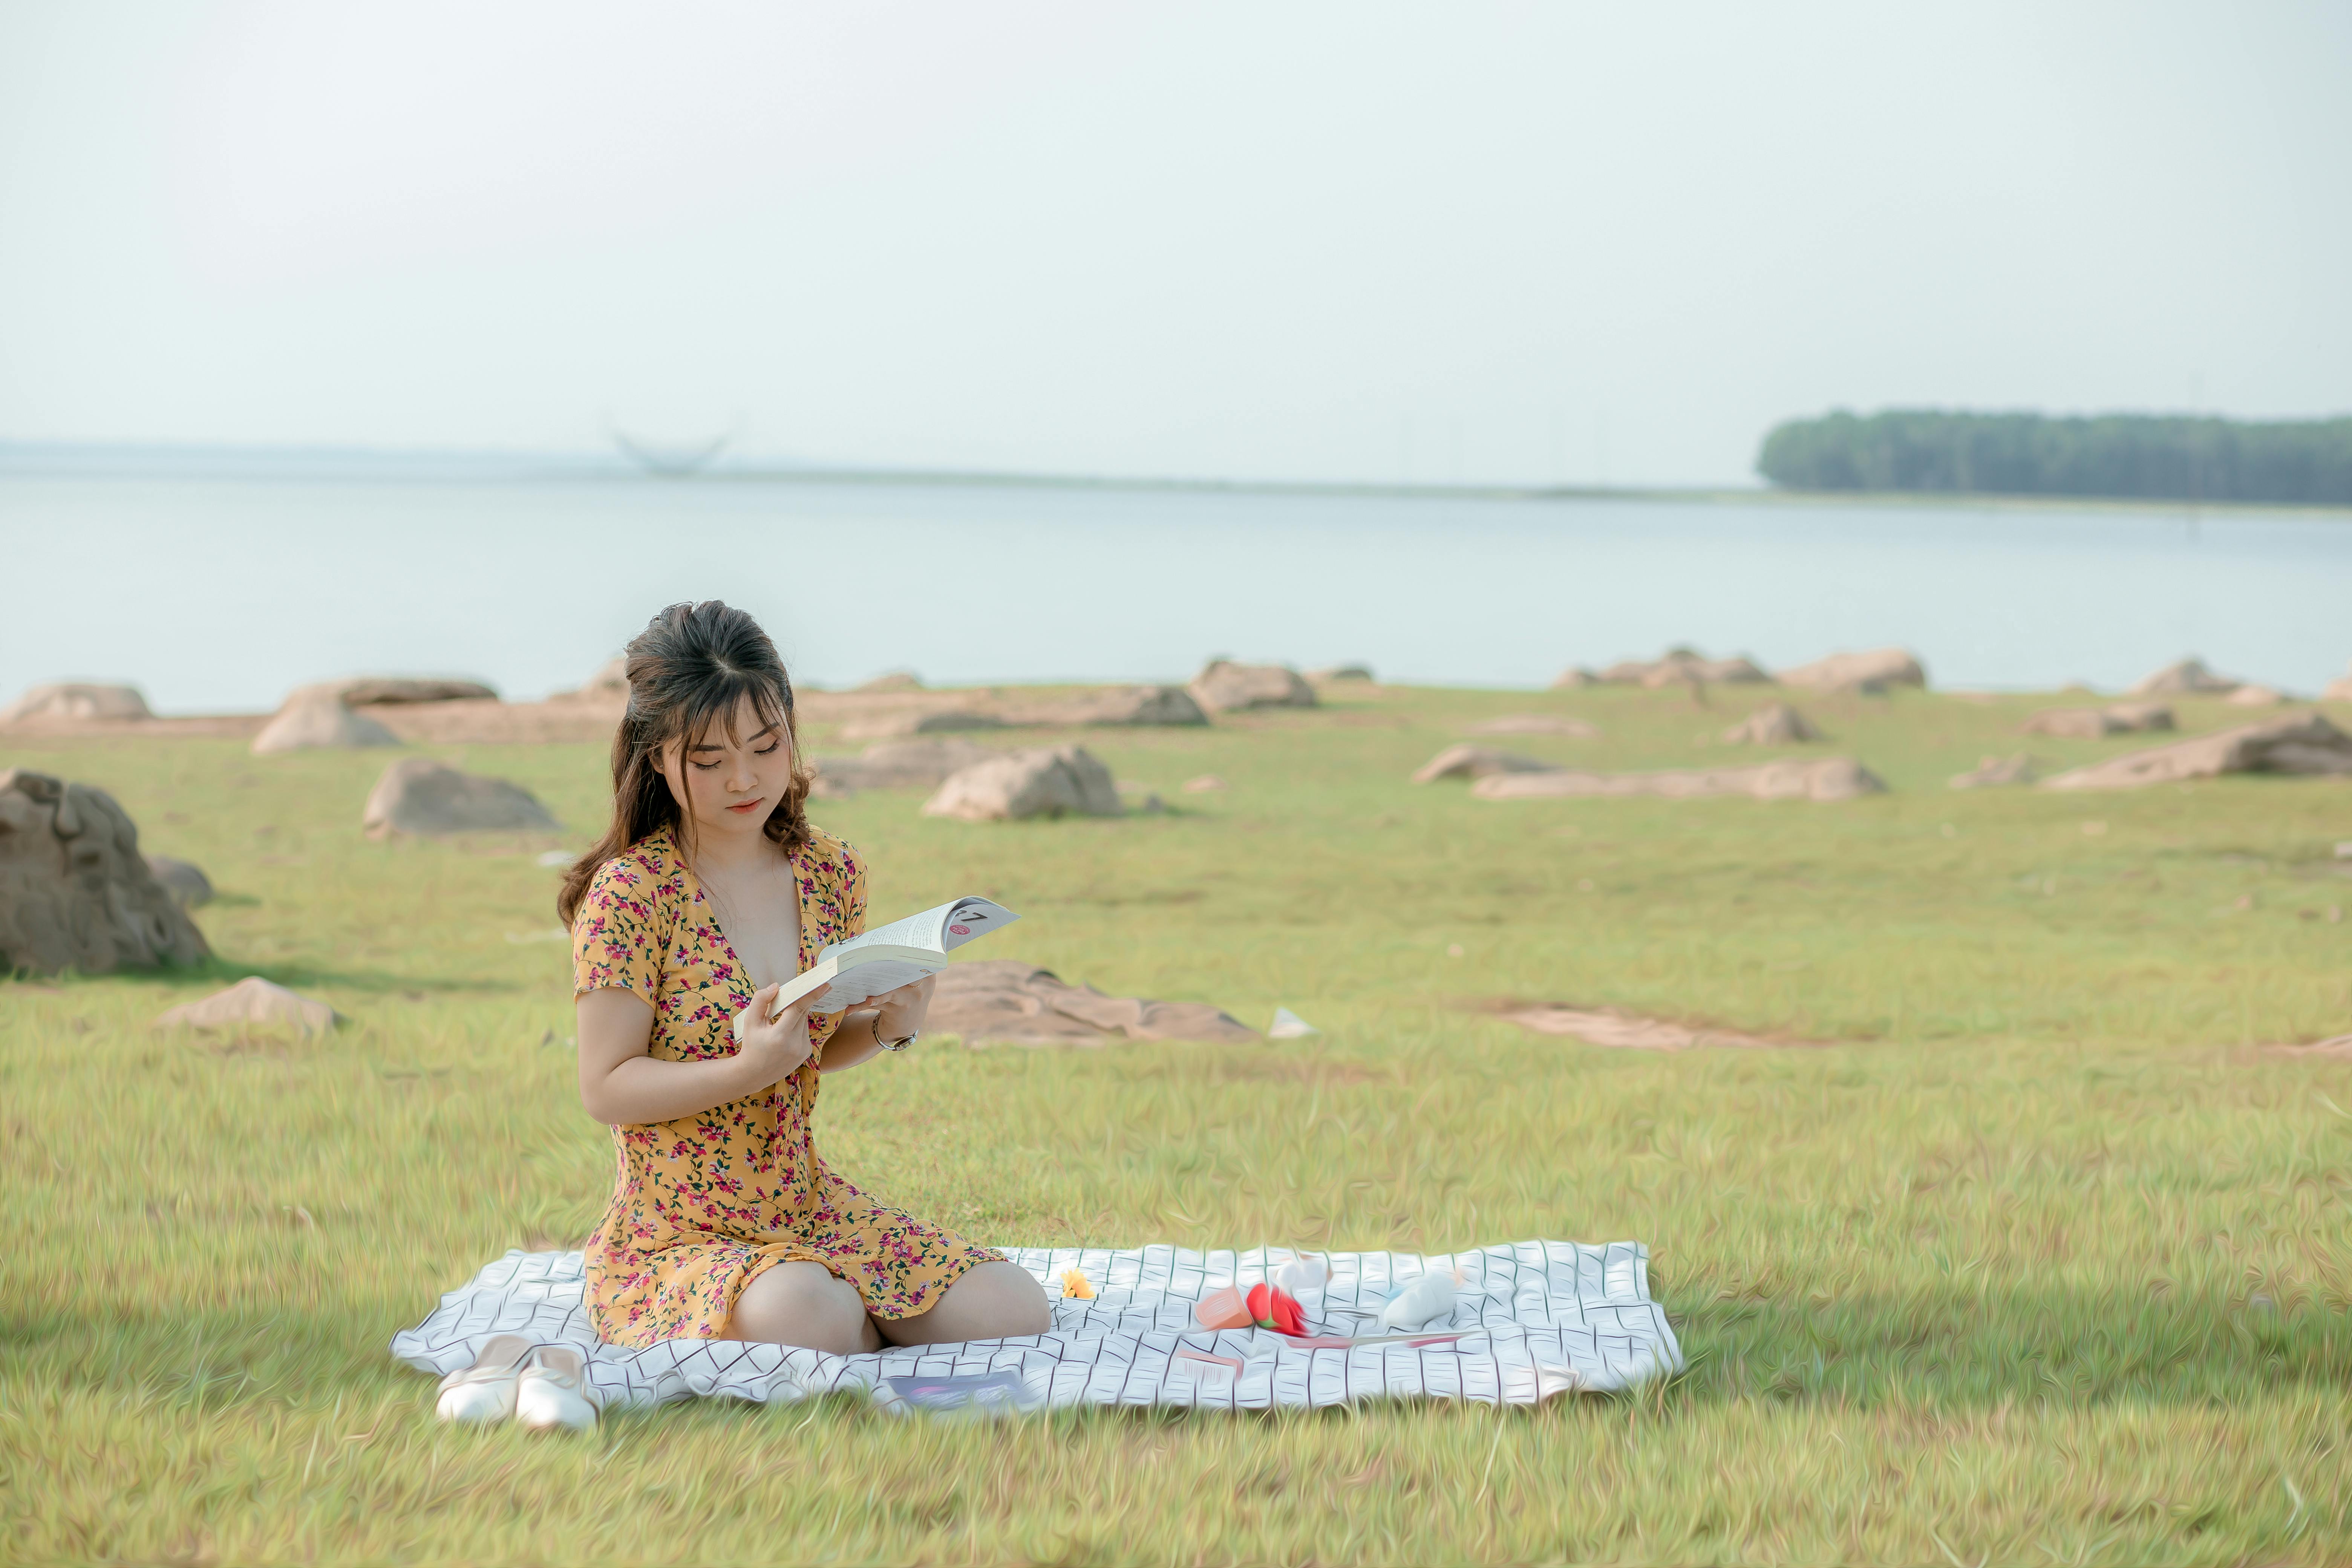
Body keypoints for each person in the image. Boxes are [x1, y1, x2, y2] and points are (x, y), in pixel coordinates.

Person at [558, 600, 1049, 1354]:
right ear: (658, 757)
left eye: (765, 745)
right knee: (808, 1315)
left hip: (807, 1204)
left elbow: (812, 1045)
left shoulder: (827, 870)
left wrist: (893, 1024)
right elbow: (606, 1086)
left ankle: (845, 1315)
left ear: (790, 726)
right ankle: (836, 1317)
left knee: (1013, 1309)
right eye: (711, 760)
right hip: (677, 1235)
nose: (745, 779)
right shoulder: (632, 894)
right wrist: (744, 1069)